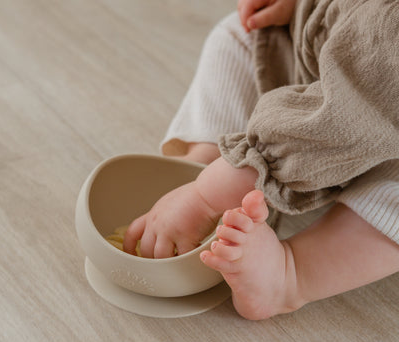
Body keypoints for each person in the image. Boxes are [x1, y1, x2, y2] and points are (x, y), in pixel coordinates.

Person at [124, 0, 399, 320]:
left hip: (380, 112)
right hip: (331, 48)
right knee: (240, 35)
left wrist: (217, 188)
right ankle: (204, 159)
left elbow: (370, 94)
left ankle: (290, 274)